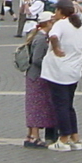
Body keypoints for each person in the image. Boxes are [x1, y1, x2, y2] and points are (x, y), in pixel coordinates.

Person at [41, 0, 82, 151]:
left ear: (61, 11)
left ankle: (63, 138)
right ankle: (75, 137)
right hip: (74, 71)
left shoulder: (61, 24)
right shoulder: (78, 25)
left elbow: (53, 37)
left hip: (59, 71)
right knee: (69, 106)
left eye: (56, 10)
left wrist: (55, 49)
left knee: (60, 106)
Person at [21, 15, 57, 148]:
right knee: (37, 106)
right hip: (37, 76)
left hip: (32, 75)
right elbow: (36, 59)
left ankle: (30, 135)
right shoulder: (41, 39)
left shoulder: (37, 36)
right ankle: (35, 136)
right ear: (47, 23)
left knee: (33, 105)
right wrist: (50, 64)